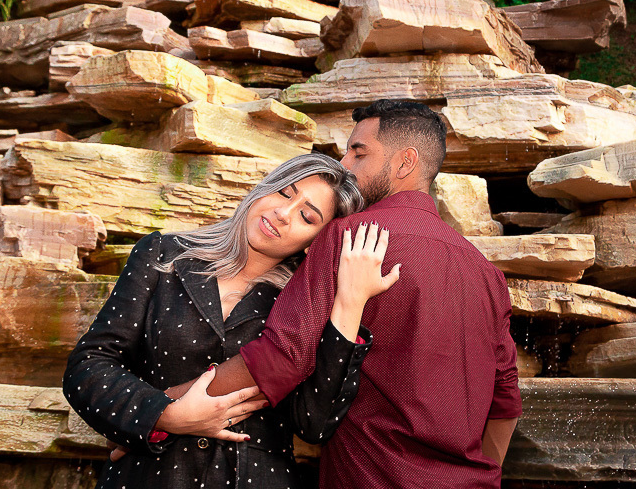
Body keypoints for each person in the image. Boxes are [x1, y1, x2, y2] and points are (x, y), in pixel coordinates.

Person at [194, 99, 523, 488]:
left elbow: (282, 357)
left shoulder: (351, 236)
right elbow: (505, 400)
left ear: (404, 162)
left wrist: (165, 408)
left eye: (358, 152)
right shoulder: (487, 273)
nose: (345, 164)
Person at [63, 152, 401, 488]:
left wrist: (350, 302)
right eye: (284, 192)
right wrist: (166, 415)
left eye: (306, 216)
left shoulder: (308, 306)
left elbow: (316, 423)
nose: (283, 214)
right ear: (263, 188)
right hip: (148, 476)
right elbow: (89, 365)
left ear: (316, 243)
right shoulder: (163, 254)